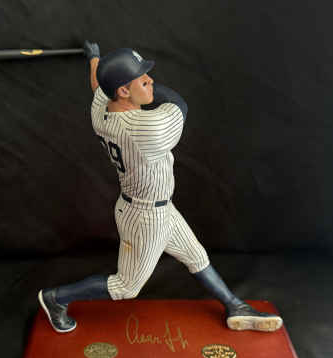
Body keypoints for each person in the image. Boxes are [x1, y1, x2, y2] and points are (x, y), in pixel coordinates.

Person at [38, 41, 283, 333]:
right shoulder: (143, 128)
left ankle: (234, 306)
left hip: (158, 208)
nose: (151, 81)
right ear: (123, 91)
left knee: (196, 256)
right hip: (144, 218)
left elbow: (98, 85)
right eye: (143, 80)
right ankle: (55, 298)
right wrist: (120, 74)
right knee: (126, 287)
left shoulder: (101, 111)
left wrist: (94, 58)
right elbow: (179, 104)